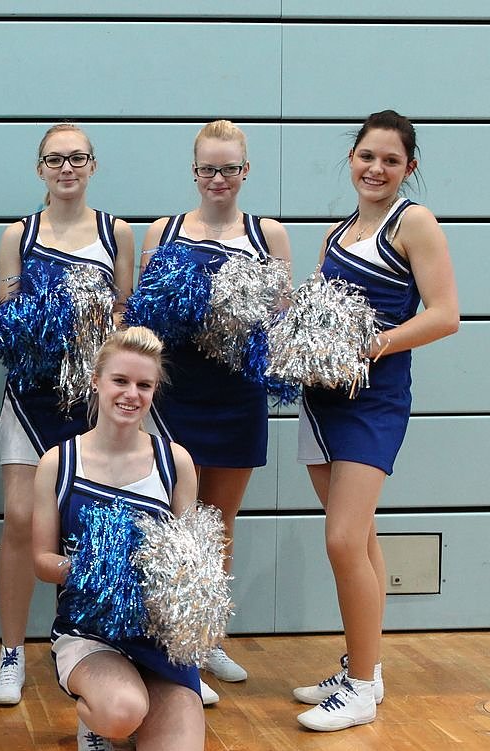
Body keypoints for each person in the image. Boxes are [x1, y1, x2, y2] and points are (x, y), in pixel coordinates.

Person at [293, 110, 459, 731]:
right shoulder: (336, 234)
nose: (376, 168)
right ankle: (365, 667)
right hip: (322, 398)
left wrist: (369, 346)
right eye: (367, 156)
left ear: (408, 168)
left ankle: (361, 690)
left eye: (391, 160)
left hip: (375, 399)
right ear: (352, 159)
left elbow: (445, 314)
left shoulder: (413, 222)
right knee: (360, 540)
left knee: (342, 540)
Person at [141, 120, 291, 699]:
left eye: (229, 168)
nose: (218, 178)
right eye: (208, 168)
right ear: (194, 171)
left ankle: (206, 639)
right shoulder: (164, 230)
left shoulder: (268, 234)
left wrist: (239, 315)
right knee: (173, 517)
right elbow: (143, 317)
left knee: (220, 523)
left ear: (245, 171)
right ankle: (167, 642)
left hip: (236, 397)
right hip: (175, 396)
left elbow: (280, 319)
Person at [0, 123, 135, 705]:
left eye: (77, 158)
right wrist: (48, 318)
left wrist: (94, 323)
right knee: (20, 520)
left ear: (93, 165)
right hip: (30, 397)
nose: (67, 168)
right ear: (40, 169)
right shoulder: (18, 235)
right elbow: (6, 317)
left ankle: (85, 645)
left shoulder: (116, 231)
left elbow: (126, 314)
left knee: (87, 527)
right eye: (55, 159)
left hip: (91, 401)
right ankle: (11, 652)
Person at [31, 327, 204, 751]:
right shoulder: (58, 463)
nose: (131, 394)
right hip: (88, 634)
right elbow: (42, 562)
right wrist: (100, 569)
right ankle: (99, 717)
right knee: (121, 711)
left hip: (158, 638)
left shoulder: (175, 462)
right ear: (96, 381)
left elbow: (192, 559)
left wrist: (178, 578)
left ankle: (148, 700)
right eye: (120, 381)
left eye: (144, 385)